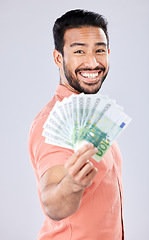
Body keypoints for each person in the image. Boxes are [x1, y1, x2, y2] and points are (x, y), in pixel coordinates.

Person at [28, 9, 124, 240]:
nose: (92, 62)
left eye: (99, 50)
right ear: (59, 58)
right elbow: (53, 204)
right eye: (79, 51)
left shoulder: (95, 114)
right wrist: (71, 184)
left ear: (108, 53)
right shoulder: (51, 122)